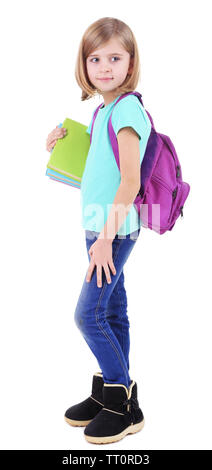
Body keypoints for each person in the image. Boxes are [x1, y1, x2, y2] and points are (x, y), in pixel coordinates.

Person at [46, 17, 151, 445]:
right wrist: (60, 140)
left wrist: (106, 239)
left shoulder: (127, 109)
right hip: (98, 227)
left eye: (114, 57)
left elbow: (130, 181)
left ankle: (122, 403)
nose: (104, 66)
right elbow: (99, 158)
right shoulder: (104, 109)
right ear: (84, 65)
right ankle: (107, 392)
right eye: (95, 58)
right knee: (110, 312)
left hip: (114, 231)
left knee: (87, 315)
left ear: (130, 64)